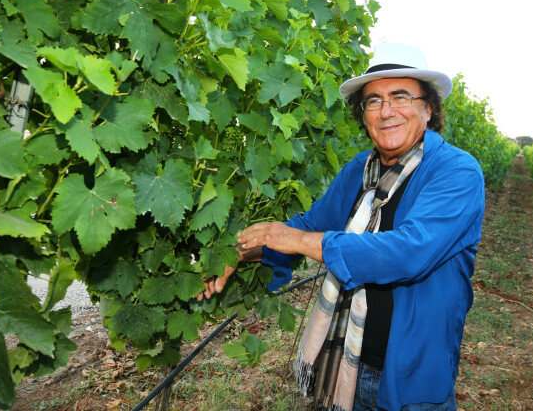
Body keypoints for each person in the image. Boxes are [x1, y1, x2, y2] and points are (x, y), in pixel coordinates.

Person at [200, 43, 485, 411]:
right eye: (373, 101)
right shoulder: (358, 171)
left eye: (400, 97)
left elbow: (408, 252)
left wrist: (300, 239)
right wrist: (239, 252)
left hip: (412, 380)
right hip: (345, 364)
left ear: (427, 108)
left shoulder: (456, 172)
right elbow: (308, 225)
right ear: (363, 114)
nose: (386, 112)